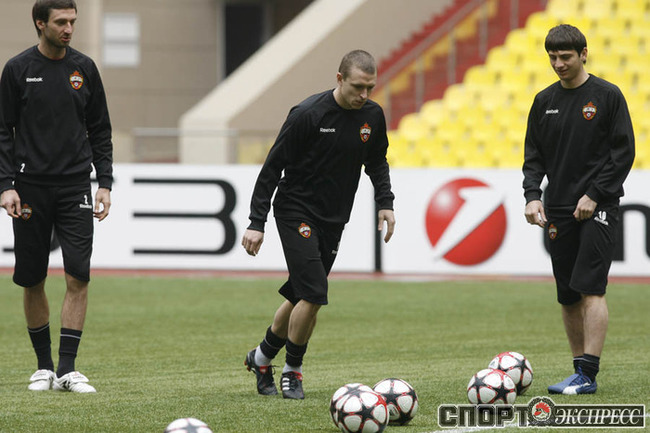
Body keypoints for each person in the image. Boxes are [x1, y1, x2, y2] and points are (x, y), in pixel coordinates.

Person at [241, 49, 395, 399]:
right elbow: (272, 168)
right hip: (295, 211)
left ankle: (261, 358)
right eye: (357, 87)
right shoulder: (308, 114)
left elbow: (377, 162)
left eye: (370, 88)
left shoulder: (372, 115)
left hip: (334, 218)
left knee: (301, 293)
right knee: (313, 292)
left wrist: (385, 202)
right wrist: (256, 221)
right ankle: (292, 371)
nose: (364, 95)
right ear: (339, 79)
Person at [0, 0, 113, 393]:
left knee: (78, 275)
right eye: (61, 22)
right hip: (29, 187)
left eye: (72, 22)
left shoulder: (85, 69)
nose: (68, 29)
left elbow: (101, 129)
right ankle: (43, 368)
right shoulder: (17, 69)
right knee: (32, 279)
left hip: (75, 187)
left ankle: (67, 369)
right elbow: (3, 131)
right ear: (40, 23)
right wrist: (6, 185)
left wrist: (105, 182)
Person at [522, 24, 635, 395]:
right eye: (553, 57)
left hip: (598, 207)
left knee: (591, 288)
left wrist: (595, 194)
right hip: (558, 207)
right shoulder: (544, 101)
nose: (558, 64)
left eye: (566, 57)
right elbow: (533, 156)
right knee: (568, 294)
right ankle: (578, 373)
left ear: (583, 54)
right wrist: (532, 195)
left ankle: (589, 372)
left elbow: (623, 153)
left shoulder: (607, 96)